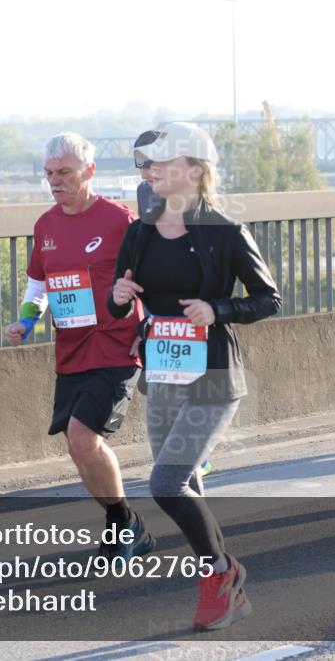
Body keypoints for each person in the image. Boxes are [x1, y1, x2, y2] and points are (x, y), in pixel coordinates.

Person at [110, 122, 282, 630]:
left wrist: (218, 308)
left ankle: (219, 575)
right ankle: (230, 586)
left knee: (165, 483)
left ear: (194, 170)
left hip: (212, 376)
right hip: (163, 373)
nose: (152, 171)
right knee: (186, 484)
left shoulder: (224, 231)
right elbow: (119, 303)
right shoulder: (140, 232)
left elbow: (268, 298)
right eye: (149, 165)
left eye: (164, 163)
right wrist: (119, 301)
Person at [6, 132, 155, 557]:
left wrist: (150, 331)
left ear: (89, 172)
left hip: (116, 346)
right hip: (70, 348)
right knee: (76, 446)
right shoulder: (46, 225)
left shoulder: (119, 221)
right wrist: (26, 320)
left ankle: (125, 524)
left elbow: (150, 280)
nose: (55, 181)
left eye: (65, 173)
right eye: (49, 174)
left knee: (82, 436)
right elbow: (40, 284)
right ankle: (123, 520)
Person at [134, 130, 216, 478]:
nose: (146, 169)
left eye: (153, 160)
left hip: (192, 309)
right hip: (157, 313)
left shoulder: (197, 201)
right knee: (159, 386)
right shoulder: (143, 193)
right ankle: (185, 461)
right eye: (140, 161)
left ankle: (195, 453)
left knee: (190, 385)